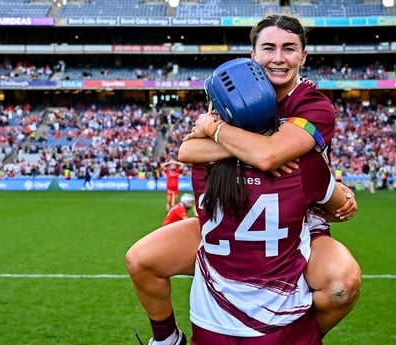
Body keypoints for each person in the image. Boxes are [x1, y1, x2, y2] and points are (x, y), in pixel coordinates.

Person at [126, 15, 360, 345]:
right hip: (232, 216)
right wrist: (246, 147)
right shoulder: (236, 94)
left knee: (342, 284)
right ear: (253, 54)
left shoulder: (313, 105)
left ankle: (296, 333)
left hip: (299, 220)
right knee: (141, 259)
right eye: (268, 48)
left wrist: (215, 130)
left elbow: (268, 156)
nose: (278, 57)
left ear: (303, 56)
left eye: (289, 49)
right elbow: (188, 149)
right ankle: (166, 340)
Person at [188, 142, 350, 344]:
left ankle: (165, 338)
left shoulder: (200, 161)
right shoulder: (304, 165)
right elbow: (341, 208)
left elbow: (189, 145)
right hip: (280, 320)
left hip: (210, 319)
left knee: (142, 259)